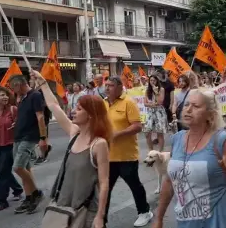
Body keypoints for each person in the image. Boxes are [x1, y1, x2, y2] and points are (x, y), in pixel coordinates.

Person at [152, 89, 226, 228]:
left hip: (220, 221)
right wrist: (159, 218)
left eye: (196, 106)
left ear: (210, 115)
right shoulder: (177, 139)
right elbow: (169, 182)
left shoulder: (222, 141)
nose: (188, 109)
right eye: (186, 104)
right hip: (186, 223)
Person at [32, 70, 111, 228]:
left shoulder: (99, 144)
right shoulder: (74, 133)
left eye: (80, 109)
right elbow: (54, 106)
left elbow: (104, 183)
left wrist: (100, 216)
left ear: (91, 114)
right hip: (62, 205)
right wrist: (43, 83)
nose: (73, 111)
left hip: (86, 209)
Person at [103, 76, 152, 227]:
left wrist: (117, 134)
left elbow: (137, 126)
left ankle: (144, 212)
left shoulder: (128, 102)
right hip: (107, 156)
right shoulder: (103, 103)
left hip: (126, 155)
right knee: (105, 188)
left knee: (134, 185)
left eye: (110, 85)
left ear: (119, 87)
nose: (107, 88)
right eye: (106, 85)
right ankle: (101, 219)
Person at [8, 74, 46, 214]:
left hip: (29, 137)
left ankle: (36, 193)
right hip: (18, 136)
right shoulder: (22, 98)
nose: (13, 91)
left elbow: (40, 117)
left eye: (13, 87)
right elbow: (23, 115)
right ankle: (29, 197)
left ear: (19, 85)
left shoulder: (35, 95)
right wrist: (16, 123)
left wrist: (43, 137)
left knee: (18, 167)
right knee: (26, 169)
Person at [143, 75, 167, 152]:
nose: (152, 82)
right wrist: (152, 105)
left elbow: (160, 102)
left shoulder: (161, 89)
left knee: (159, 133)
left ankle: (160, 151)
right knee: (147, 132)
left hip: (159, 112)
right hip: (150, 112)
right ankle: (151, 150)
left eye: (154, 80)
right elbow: (145, 103)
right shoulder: (147, 90)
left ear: (157, 81)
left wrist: (156, 92)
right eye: (151, 80)